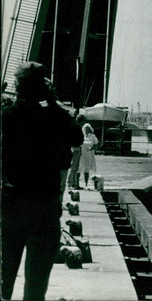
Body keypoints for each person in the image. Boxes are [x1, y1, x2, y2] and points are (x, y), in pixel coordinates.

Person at [2, 61, 83, 300]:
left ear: (18, 87)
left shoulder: (7, 117)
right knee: (35, 287)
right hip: (44, 208)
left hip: (10, 205)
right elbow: (77, 136)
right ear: (42, 86)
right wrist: (52, 103)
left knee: (3, 280)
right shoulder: (54, 117)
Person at [79, 123, 99, 189]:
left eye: (87, 128)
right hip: (81, 154)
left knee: (86, 169)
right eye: (85, 129)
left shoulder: (92, 136)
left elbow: (96, 144)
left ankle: (86, 184)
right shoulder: (81, 135)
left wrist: (92, 148)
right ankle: (76, 184)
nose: (86, 130)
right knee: (79, 168)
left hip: (88, 155)